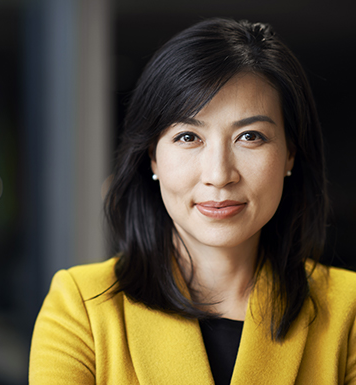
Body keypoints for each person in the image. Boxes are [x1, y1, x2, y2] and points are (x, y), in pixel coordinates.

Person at [29, 18, 356, 384]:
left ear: (290, 155)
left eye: (249, 136)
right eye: (188, 137)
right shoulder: (83, 307)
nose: (219, 174)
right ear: (152, 156)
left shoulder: (348, 309)